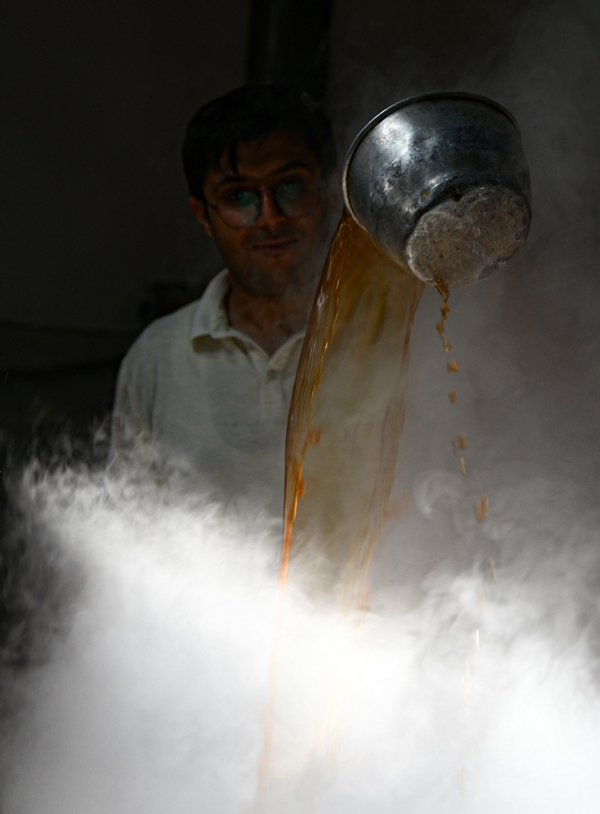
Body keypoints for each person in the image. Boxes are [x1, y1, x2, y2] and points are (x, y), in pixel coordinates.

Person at [111, 85, 341, 515]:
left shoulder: (383, 339)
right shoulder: (158, 357)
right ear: (203, 215)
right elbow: (131, 526)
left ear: (328, 193)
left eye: (291, 187)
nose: (269, 217)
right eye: (239, 197)